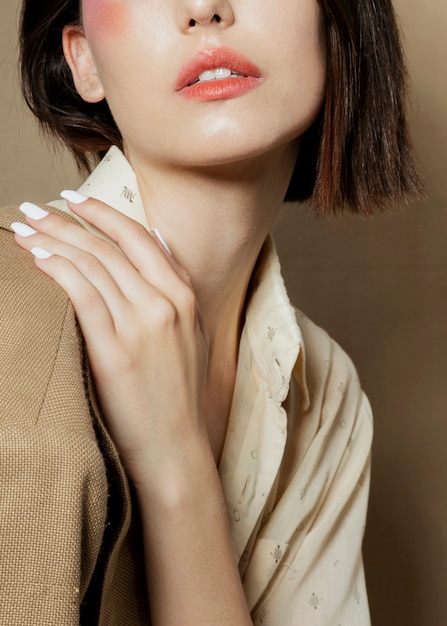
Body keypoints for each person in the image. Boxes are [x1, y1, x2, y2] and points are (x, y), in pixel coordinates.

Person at [0, 0, 423, 624]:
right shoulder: (16, 347)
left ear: (337, 25)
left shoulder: (326, 395)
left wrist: (177, 467)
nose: (204, 9)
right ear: (83, 60)